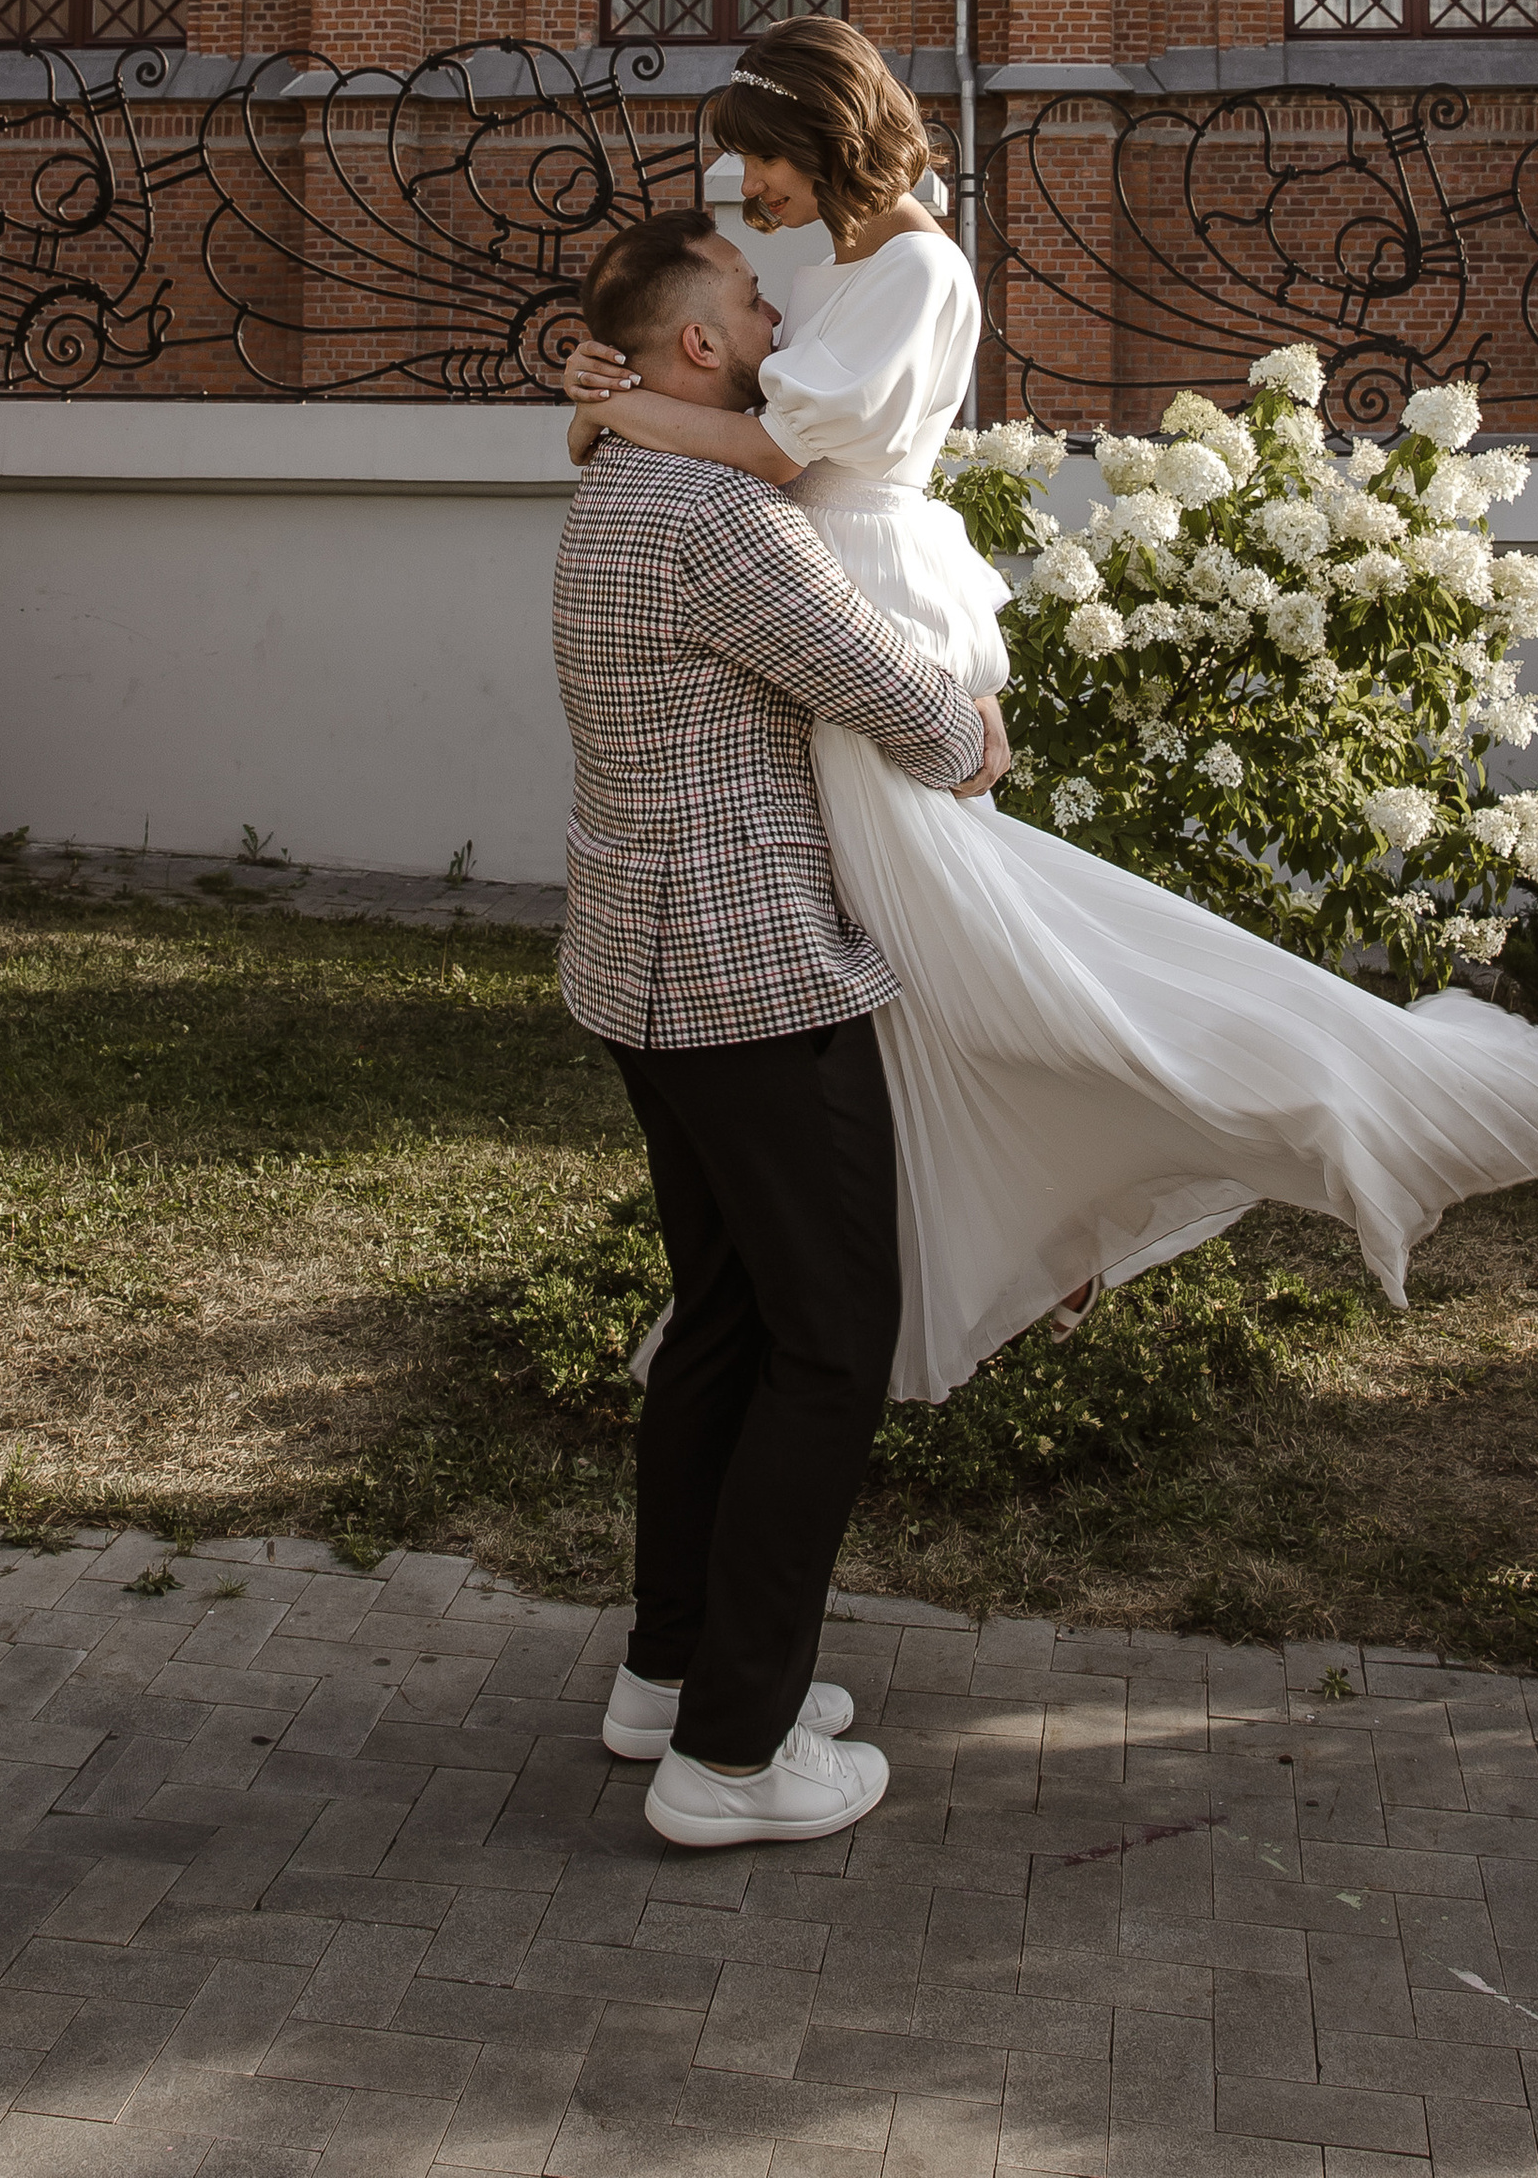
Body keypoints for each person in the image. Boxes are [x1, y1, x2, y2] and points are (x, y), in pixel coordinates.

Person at [562, 17, 1538, 1405]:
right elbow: (724, 391)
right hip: (806, 579)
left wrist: (613, 418)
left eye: (759, 164)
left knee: (943, 932)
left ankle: (1128, 1152)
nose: (749, 192)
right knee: (898, 945)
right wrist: (607, 399)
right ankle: (1009, 1209)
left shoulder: (918, 270)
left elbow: (756, 439)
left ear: (818, 143)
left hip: (854, 592)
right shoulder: (840, 265)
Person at [551, 202, 1011, 1852]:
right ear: (698, 344)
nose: (778, 314)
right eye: (751, 298)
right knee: (830, 1345)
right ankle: (733, 1762)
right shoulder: (719, 520)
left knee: (728, 1327)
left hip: (643, 973)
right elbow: (903, 705)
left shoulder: (616, 479)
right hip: (752, 985)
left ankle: (671, 1678)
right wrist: (973, 720)